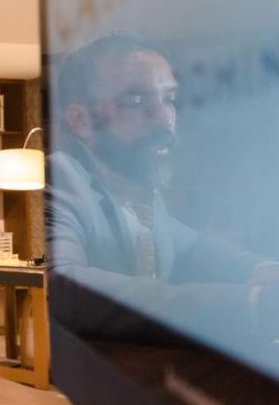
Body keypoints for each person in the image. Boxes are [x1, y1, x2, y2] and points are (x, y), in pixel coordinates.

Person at [47, 32, 267, 338]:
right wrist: (259, 304)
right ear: (82, 121)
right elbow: (63, 284)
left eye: (169, 99)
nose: (164, 119)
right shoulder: (61, 177)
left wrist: (271, 272)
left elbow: (196, 248)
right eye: (135, 101)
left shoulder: (136, 187)